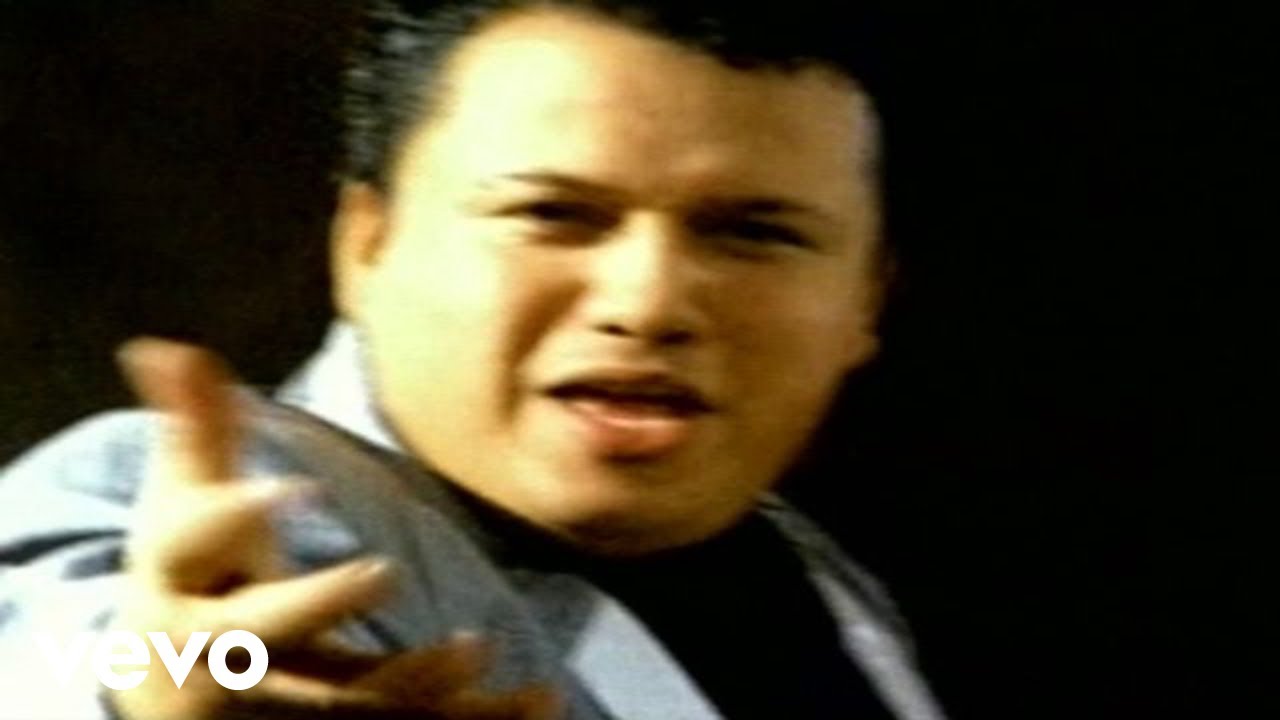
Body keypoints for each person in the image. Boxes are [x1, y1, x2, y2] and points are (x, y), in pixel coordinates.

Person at [0, 1, 946, 718]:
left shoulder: (804, 570)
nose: (648, 303)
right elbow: (60, 652)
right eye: (553, 215)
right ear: (365, 243)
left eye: (754, 234)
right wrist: (158, 683)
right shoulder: (193, 491)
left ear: (866, 297)